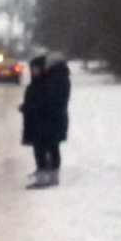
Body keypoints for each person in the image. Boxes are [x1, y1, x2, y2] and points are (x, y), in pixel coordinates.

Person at [20, 54, 71, 190]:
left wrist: (30, 107)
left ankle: (45, 177)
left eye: (35, 68)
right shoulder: (53, 78)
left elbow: (48, 101)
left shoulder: (53, 80)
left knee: (44, 148)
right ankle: (49, 176)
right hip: (47, 121)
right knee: (49, 148)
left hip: (46, 121)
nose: (33, 71)